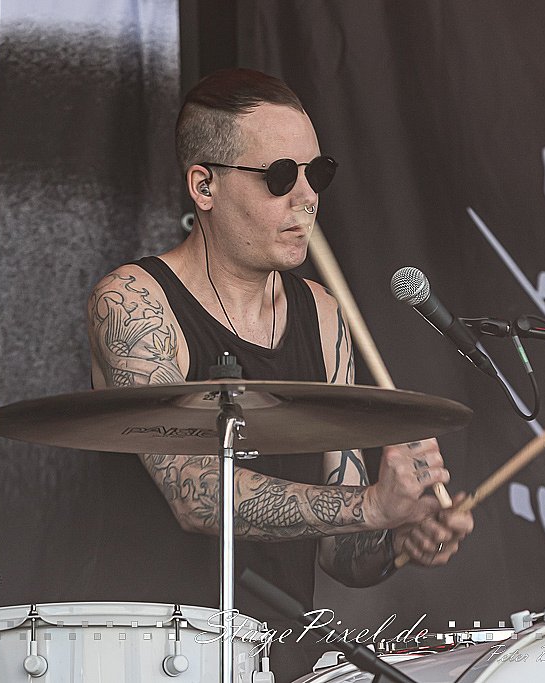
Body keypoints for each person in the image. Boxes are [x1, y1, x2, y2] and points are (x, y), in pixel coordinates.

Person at [87, 68, 474, 681]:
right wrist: (371, 506)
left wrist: (398, 535)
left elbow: (342, 551)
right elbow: (195, 495)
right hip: (154, 659)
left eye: (317, 173)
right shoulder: (134, 301)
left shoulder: (321, 314)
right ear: (204, 186)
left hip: (280, 661)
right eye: (280, 177)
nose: (307, 197)